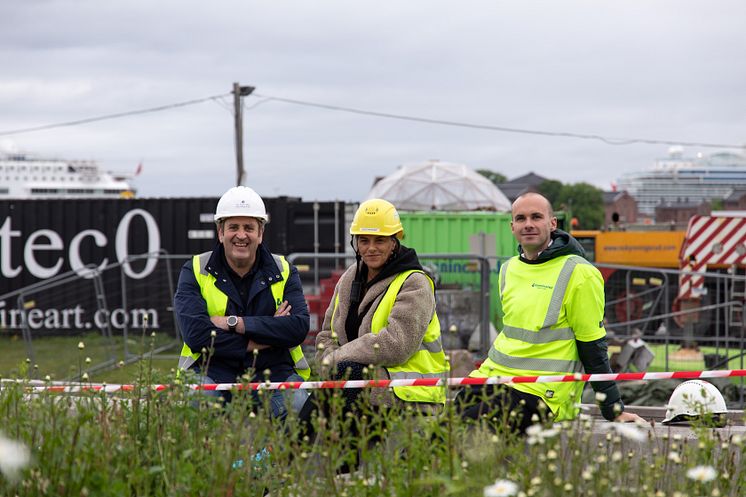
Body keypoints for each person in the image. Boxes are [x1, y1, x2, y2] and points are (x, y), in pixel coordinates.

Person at [456, 192, 645, 433]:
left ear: (552, 223)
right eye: (521, 218)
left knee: (470, 429)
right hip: (494, 377)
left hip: (543, 392)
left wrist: (613, 410)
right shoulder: (508, 269)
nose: (529, 224)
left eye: (536, 217)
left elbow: (594, 348)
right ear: (512, 226)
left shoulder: (579, 273)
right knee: (447, 426)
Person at [174, 186, 310, 418]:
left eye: (249, 227)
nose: (241, 235)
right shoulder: (196, 269)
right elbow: (196, 335)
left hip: (273, 372)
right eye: (233, 227)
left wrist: (233, 323)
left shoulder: (284, 270)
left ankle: (274, 457)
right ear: (220, 232)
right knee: (195, 404)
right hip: (212, 371)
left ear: (260, 234)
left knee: (298, 409)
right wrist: (263, 338)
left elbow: (297, 328)